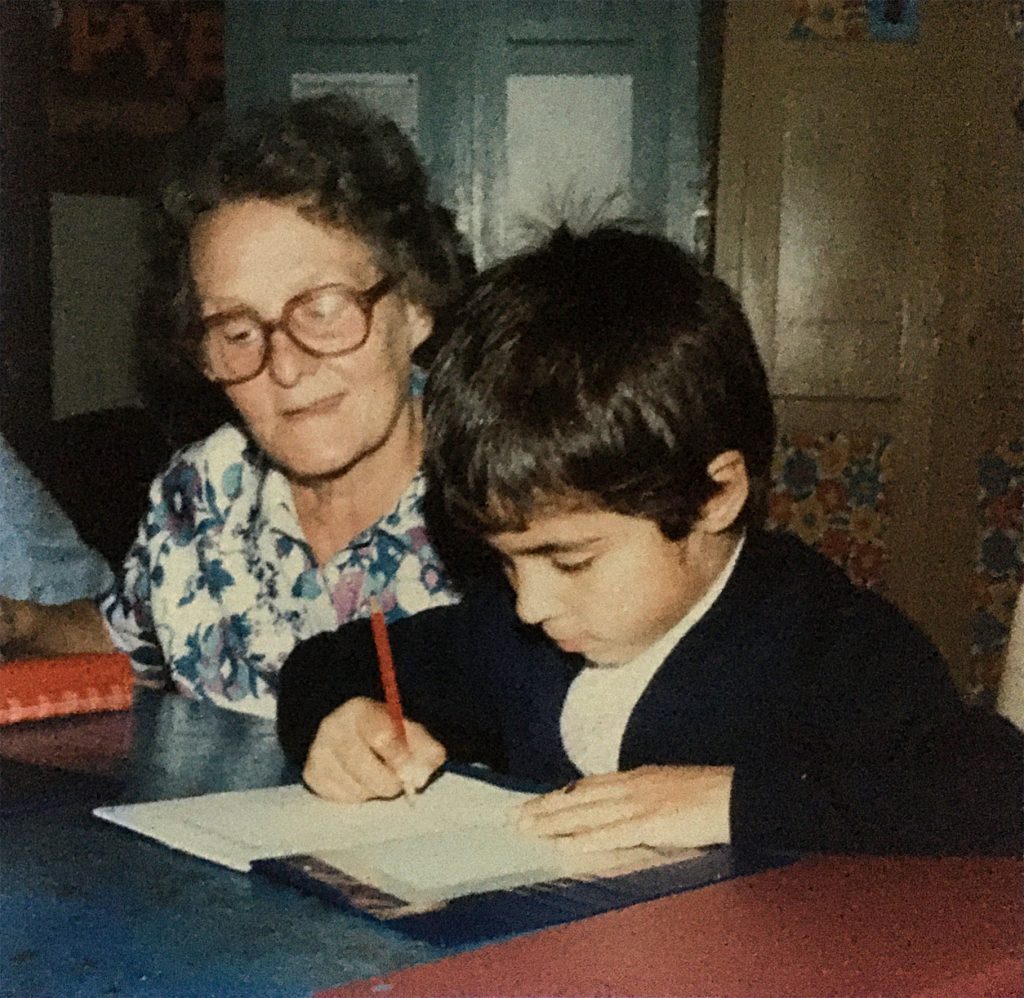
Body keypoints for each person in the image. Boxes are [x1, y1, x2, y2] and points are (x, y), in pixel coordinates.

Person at [277, 224, 1023, 857]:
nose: (530, 604)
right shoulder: (512, 640)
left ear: (714, 497)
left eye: (571, 559)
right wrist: (338, 726)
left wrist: (733, 802)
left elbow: (996, 792)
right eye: (507, 560)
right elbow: (330, 664)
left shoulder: (828, 649)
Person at [0, 95, 472, 714]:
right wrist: (19, 623)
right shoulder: (203, 493)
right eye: (238, 330)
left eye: (323, 309)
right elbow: (130, 640)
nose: (286, 366)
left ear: (415, 305)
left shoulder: (508, 498)